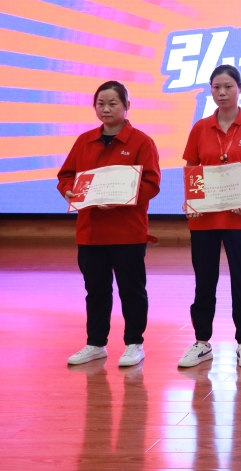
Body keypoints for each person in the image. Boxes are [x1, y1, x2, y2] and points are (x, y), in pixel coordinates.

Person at [57, 81, 161, 367]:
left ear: (126, 107)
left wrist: (121, 200)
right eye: (100, 103)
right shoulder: (84, 140)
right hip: (90, 231)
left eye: (113, 103)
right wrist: (68, 190)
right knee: (96, 290)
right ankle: (95, 343)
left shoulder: (141, 142)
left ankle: (134, 343)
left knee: (132, 290)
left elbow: (152, 184)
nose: (106, 109)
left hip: (128, 231)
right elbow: (66, 176)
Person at [178, 64, 241, 369]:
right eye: (216, 87)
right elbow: (192, 170)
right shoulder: (200, 128)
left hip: (239, 218)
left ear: (239, 89)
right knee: (204, 282)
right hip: (204, 220)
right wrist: (191, 200)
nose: (222, 93)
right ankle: (202, 342)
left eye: (228, 87)